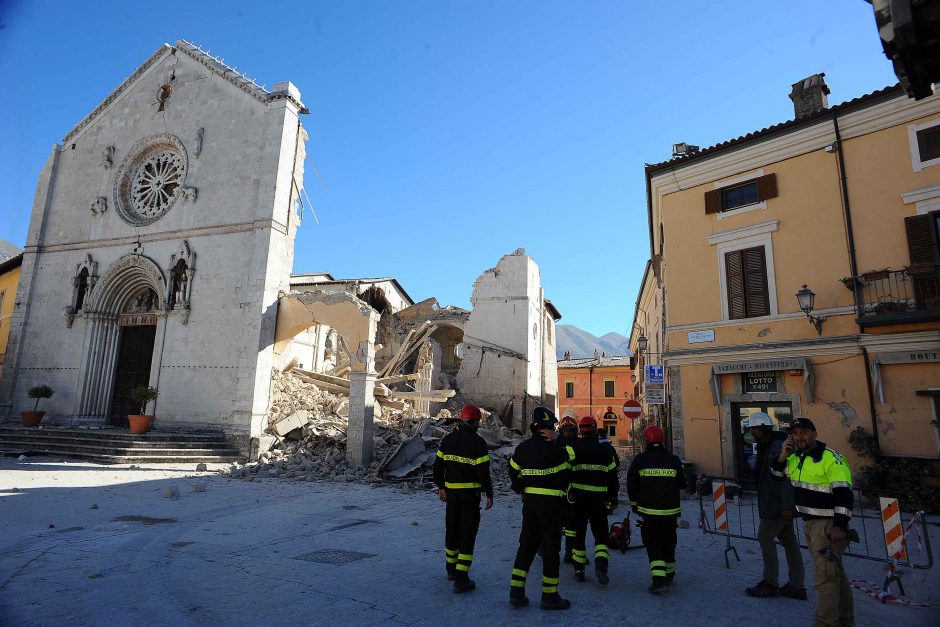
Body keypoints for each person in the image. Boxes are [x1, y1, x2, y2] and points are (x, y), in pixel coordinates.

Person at [771, 418, 854, 626]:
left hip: (826, 526)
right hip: (810, 524)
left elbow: (844, 494)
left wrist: (839, 525)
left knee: (824, 578)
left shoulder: (831, 459)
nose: (799, 437)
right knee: (836, 576)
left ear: (814, 433)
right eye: (795, 433)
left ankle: (825, 622)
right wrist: (783, 453)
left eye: (803, 432)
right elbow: (776, 474)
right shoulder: (796, 457)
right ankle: (845, 620)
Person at [507, 406, 575, 610]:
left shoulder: (522, 448)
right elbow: (575, 455)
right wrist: (560, 439)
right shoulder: (560, 449)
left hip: (531, 506)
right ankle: (550, 596)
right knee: (551, 550)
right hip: (553, 507)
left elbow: (513, 473)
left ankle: (516, 594)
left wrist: (524, 486)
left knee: (526, 547)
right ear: (550, 427)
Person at [743, 412, 806, 600]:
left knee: (764, 536)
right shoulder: (768, 444)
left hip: (777, 504)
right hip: (775, 502)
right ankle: (796, 585)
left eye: (754, 428)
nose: (752, 432)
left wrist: (787, 506)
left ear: (764, 428)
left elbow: (788, 478)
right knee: (789, 541)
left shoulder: (777, 446)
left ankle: (770, 582)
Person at [433, 404, 493, 593]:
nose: (478, 425)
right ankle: (462, 577)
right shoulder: (478, 442)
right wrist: (489, 493)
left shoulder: (448, 440)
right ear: (474, 422)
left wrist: (441, 486)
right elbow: (483, 472)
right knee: (467, 534)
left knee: (452, 530)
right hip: (470, 496)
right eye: (477, 422)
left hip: (451, 496)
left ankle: (451, 569)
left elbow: (437, 466)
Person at [627, 424, 687, 594]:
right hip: (670, 512)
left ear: (645, 440)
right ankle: (670, 573)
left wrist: (634, 505)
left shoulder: (640, 460)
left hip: (649, 511)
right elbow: (684, 484)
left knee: (653, 544)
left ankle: (659, 580)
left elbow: (631, 484)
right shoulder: (674, 460)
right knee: (669, 541)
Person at [569, 415, 619, 585]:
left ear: (580, 430)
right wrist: (613, 496)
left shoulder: (574, 449)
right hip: (599, 500)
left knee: (579, 534)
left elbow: (565, 472)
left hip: (578, 500)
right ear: (595, 429)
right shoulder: (605, 450)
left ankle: (579, 569)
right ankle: (601, 566)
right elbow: (613, 476)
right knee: (601, 535)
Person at [557, 416, 580, 565]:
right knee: (555, 523)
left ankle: (569, 553)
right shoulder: (554, 443)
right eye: (564, 430)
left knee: (573, 524)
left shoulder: (579, 444)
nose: (566, 432)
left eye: (569, 430)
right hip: (557, 488)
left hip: (573, 489)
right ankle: (548, 550)